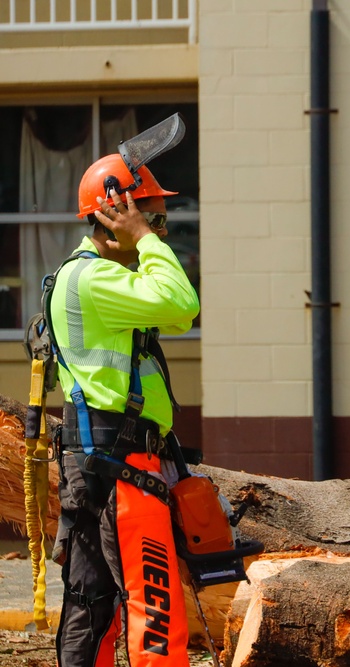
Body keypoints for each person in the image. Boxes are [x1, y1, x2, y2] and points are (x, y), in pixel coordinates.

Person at [50, 153, 199, 666]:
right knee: (153, 604)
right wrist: (149, 239)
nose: (159, 229)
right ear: (116, 215)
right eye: (153, 217)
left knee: (91, 601)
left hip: (101, 459)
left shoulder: (91, 277)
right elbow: (182, 305)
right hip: (122, 463)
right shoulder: (95, 281)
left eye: (160, 222)